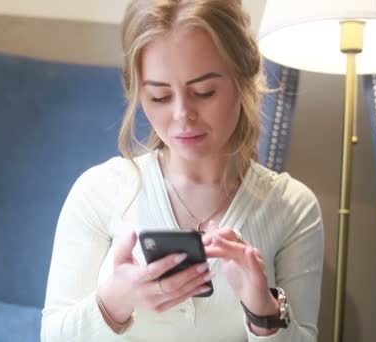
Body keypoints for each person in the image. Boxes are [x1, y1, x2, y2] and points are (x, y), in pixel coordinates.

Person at [41, 0, 324, 341]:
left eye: (204, 92)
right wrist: (114, 301)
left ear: (243, 78)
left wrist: (260, 309)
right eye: (159, 96)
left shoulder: (292, 207)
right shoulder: (100, 191)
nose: (182, 115)